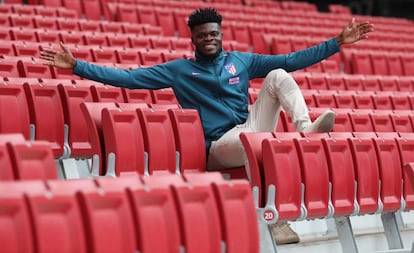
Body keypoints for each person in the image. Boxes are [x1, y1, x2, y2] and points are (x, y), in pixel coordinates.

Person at [40, 8, 374, 245]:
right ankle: (278, 217)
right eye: (202, 36)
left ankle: (305, 130)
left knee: (278, 76)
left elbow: (290, 60)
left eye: (213, 33)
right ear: (194, 40)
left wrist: (336, 43)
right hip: (217, 146)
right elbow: (129, 79)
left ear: (221, 34)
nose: (208, 39)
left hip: (248, 130)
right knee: (252, 139)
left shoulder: (241, 61)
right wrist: (77, 66)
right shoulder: (180, 70)